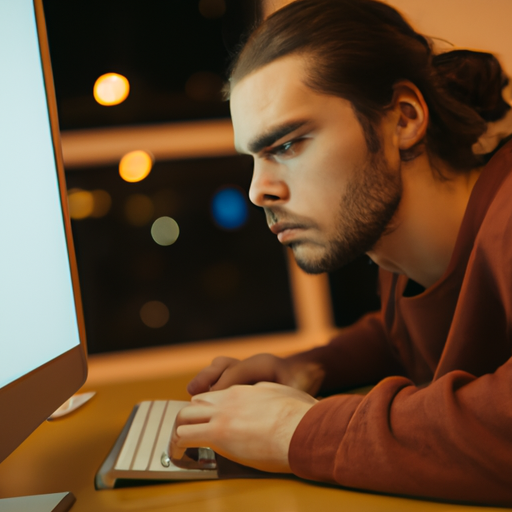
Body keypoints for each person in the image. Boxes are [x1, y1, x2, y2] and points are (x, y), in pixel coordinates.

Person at [171, 0, 512, 505]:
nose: (257, 191)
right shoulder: (401, 258)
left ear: (403, 119)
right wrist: (310, 368)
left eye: (286, 145)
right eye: (254, 159)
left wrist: (296, 428)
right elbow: (406, 334)